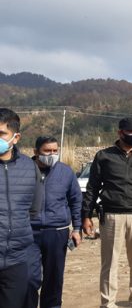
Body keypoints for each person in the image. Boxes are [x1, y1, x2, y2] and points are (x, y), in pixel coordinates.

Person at [82, 117, 132, 308]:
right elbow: (92, 187)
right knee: (109, 264)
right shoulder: (104, 156)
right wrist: (86, 215)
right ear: (120, 133)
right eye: (130, 132)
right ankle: (108, 303)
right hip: (111, 217)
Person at [25, 136, 83, 308]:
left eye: (55, 151)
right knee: (28, 278)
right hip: (28, 232)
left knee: (54, 278)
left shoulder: (65, 172)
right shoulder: (24, 170)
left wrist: (77, 228)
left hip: (57, 231)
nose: (52, 154)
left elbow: (75, 200)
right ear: (35, 152)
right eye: (47, 151)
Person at [0, 108, 40, 307]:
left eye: (1, 134)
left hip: (16, 258)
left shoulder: (29, 166)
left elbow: (34, 209)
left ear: (15, 138)